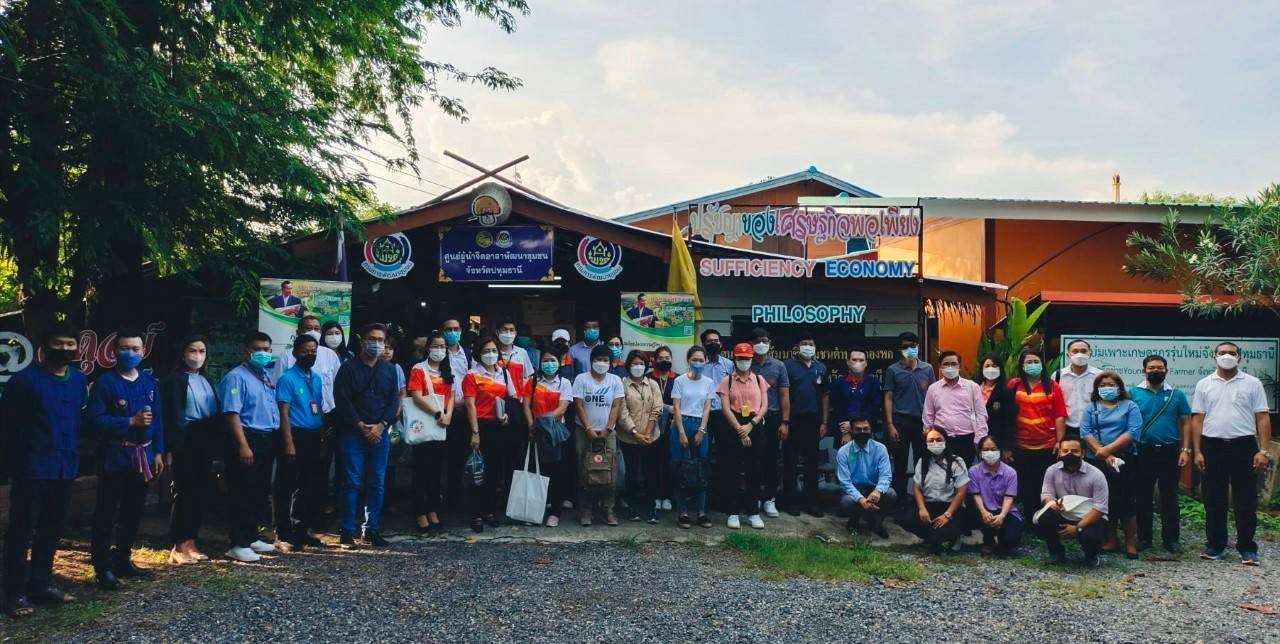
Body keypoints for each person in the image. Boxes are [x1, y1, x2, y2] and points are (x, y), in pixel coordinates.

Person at [1, 324, 87, 618]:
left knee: (52, 528)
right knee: (21, 531)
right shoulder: (24, 381)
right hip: (32, 467)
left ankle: (41, 584)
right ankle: (13, 594)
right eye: (58, 343)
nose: (64, 349)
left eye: (70, 344)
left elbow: (78, 419)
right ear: (44, 346)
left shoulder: (78, 379)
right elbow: (8, 427)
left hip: (64, 467)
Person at [88, 329, 166, 590]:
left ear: (143, 352)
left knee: (133, 511)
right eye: (124, 348)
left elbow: (158, 419)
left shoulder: (149, 382)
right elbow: (95, 421)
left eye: (135, 349)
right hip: (115, 455)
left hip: (143, 455)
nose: (130, 353)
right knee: (106, 512)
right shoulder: (105, 383)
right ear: (114, 351)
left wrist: (158, 451)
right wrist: (129, 422)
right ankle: (102, 568)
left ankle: (122, 559)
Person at [1191, 341, 1272, 565]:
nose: (1226, 356)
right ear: (1214, 357)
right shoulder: (1204, 384)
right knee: (1213, 499)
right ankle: (1216, 545)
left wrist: (1263, 451)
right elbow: (1197, 419)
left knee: (1245, 499)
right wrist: (1197, 451)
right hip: (1212, 446)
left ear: (1239, 358)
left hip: (1243, 446)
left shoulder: (1252, 383)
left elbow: (1262, 417)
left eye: (1231, 353)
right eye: (1222, 353)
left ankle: (1247, 548)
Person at [333, 323, 400, 549]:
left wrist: (382, 425)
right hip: (353, 433)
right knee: (351, 481)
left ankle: (371, 529)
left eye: (381, 340)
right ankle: (347, 531)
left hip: (380, 434)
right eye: (373, 339)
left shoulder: (389, 369)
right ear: (362, 341)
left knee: (377, 482)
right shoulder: (348, 369)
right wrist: (360, 425)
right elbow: (342, 400)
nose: (377, 344)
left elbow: (394, 400)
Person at [219, 331, 281, 563]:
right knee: (242, 491)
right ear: (247, 352)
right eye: (257, 349)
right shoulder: (236, 377)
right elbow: (232, 414)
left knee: (258, 491)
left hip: (266, 438)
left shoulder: (265, 376)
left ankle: (251, 535)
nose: (263, 353)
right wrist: (243, 445)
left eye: (266, 349)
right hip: (246, 438)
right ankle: (238, 543)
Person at [162, 335, 219, 565]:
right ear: (182, 353)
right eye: (192, 351)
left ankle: (191, 541)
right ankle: (178, 544)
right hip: (184, 438)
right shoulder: (173, 380)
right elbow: (169, 416)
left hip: (206, 436)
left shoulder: (206, 379)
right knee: (184, 491)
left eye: (201, 351)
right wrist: (169, 448)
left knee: (201, 491)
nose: (197, 356)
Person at [1130, 354, 1192, 553]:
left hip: (1169, 451)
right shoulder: (1133, 393)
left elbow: (1186, 423)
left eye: (1159, 368)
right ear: (1143, 371)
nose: (1155, 371)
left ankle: (1171, 539)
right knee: (1142, 496)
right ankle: (1144, 538)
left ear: (1166, 371)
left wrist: (1185, 450)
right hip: (1142, 451)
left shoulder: (1177, 395)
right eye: (1151, 368)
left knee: (1170, 496)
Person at [1080, 371, 1142, 559]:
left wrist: (1107, 451)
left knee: (1127, 500)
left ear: (1119, 388)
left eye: (1111, 385)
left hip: (1124, 459)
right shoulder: (1091, 408)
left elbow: (1132, 431)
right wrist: (1103, 454)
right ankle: (1111, 539)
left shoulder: (1130, 406)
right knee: (1105, 500)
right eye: (1103, 385)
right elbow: (1085, 432)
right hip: (1096, 461)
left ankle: (1130, 542)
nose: (1107, 388)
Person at [274, 334, 326, 551]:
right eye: (306, 351)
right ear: (296, 353)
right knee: (287, 484)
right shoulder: (287, 378)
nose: (310, 355)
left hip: (313, 434)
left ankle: (301, 529)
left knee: (308, 484)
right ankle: (283, 532)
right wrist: (288, 443)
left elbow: (318, 407)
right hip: (294, 434)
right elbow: (283, 413)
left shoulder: (316, 378)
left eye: (313, 351)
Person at [461, 336, 518, 533]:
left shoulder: (504, 373)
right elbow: (470, 404)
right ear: (478, 353)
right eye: (486, 351)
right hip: (479, 426)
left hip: (499, 428)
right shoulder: (472, 375)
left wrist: (508, 415)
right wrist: (475, 432)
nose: (491, 354)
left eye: (494, 350)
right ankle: (475, 514)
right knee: (478, 472)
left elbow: (512, 398)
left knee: (495, 472)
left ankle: (489, 511)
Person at [717, 343, 771, 530]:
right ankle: (733, 512)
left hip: (754, 424)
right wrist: (740, 429)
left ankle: (753, 512)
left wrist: (750, 426)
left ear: (751, 359)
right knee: (732, 470)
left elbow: (764, 406)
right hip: (733, 425)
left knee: (754, 470)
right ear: (735, 359)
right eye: (740, 358)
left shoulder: (759, 380)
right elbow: (725, 409)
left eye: (747, 358)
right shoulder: (727, 381)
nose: (743, 361)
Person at [1007, 350, 1067, 516]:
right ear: (1022, 365)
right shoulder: (1014, 385)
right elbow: (1007, 414)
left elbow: (1060, 415)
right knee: (1026, 484)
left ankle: (1045, 517)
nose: (1032, 365)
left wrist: (1060, 441)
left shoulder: (1053, 386)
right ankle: (1029, 518)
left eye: (1036, 361)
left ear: (1042, 364)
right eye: (1029, 362)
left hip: (1047, 445)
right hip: (1021, 445)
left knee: (1044, 484)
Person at [572, 345, 626, 526]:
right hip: (583, 431)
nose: (601, 363)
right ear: (591, 361)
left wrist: (608, 428)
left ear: (610, 363)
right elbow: (579, 405)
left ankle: (608, 510)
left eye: (605, 360)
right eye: (598, 359)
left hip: (608, 433)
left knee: (609, 469)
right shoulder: (581, 379)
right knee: (584, 469)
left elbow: (616, 406)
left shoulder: (615, 380)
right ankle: (586, 511)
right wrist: (588, 428)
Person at [1035, 438, 1110, 566]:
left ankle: (1091, 555)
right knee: (1044, 518)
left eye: (1074, 451)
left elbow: (1100, 508)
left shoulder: (1097, 475)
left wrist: (1078, 527)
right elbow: (1047, 494)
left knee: (1091, 535)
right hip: (1064, 512)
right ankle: (1056, 553)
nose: (1069, 454)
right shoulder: (1052, 470)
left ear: (1083, 453)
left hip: (1089, 516)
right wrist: (1053, 504)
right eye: (1065, 451)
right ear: (1059, 452)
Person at [407, 332, 454, 535]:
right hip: (425, 423)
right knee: (421, 471)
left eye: (443, 347)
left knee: (436, 471)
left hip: (442, 425)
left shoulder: (446, 370)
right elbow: (416, 396)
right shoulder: (418, 369)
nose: (439, 350)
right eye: (436, 346)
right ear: (428, 348)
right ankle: (419, 511)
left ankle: (433, 509)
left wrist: (448, 414)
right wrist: (437, 413)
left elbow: (451, 395)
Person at [523, 350, 573, 527]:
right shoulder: (532, 381)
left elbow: (562, 409)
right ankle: (535, 510)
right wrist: (532, 425)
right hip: (535, 432)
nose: (549, 364)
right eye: (545, 360)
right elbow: (526, 406)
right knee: (537, 471)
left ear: (558, 363)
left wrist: (542, 422)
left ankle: (555, 512)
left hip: (555, 433)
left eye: (552, 360)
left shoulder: (564, 383)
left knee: (556, 473)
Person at [899, 429, 969, 553]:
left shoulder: (957, 462)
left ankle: (949, 537)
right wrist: (922, 509)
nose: (935, 443)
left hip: (951, 508)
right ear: (926, 444)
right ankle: (935, 537)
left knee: (938, 543)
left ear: (945, 441)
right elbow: (917, 488)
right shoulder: (922, 462)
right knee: (906, 519)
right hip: (929, 505)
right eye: (931, 440)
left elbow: (961, 491)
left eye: (939, 439)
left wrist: (947, 515)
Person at [782, 334, 828, 517]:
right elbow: (783, 394)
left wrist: (824, 422)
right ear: (797, 346)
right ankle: (790, 502)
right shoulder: (787, 366)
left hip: (813, 421)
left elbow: (825, 395)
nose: (808, 347)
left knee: (812, 464)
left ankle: (811, 503)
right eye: (804, 344)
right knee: (790, 463)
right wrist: (784, 421)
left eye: (811, 344)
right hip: (793, 420)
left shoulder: (821, 367)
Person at [884, 331, 934, 498]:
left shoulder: (927, 368)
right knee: (900, 463)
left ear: (918, 346)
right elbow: (888, 397)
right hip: (900, 421)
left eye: (913, 346)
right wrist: (890, 425)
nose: (910, 349)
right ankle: (900, 500)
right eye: (905, 347)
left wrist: (932, 424)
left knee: (923, 461)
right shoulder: (893, 370)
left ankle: (923, 498)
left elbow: (933, 396)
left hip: (922, 422)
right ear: (900, 349)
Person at [670, 346, 716, 529]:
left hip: (700, 425)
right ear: (688, 360)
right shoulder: (679, 381)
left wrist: (701, 431)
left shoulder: (709, 382)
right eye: (694, 360)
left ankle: (701, 512)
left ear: (705, 361)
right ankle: (682, 512)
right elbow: (676, 408)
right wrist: (681, 432)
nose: (698, 363)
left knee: (700, 468)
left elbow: (707, 408)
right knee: (680, 468)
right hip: (681, 424)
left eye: (701, 360)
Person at [749, 327, 790, 518]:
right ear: (751, 344)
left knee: (771, 460)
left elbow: (784, 395)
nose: (761, 344)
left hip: (773, 418)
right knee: (753, 460)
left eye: (764, 341)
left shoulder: (779, 366)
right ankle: (754, 498)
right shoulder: (745, 364)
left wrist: (785, 422)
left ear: (770, 344)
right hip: (750, 419)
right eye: (757, 341)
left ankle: (769, 499)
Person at [617, 350, 662, 523]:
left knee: (651, 473)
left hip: (651, 438)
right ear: (628, 365)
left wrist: (648, 433)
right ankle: (632, 508)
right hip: (629, 438)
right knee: (632, 474)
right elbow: (622, 412)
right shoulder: (622, 385)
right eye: (635, 363)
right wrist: (635, 433)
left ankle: (651, 508)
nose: (638, 367)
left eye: (641, 364)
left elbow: (657, 409)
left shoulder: (652, 384)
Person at [922, 350, 988, 465]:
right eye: (946, 364)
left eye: (953, 364)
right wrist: (930, 438)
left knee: (965, 471)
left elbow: (981, 415)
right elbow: (928, 416)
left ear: (959, 366)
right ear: (940, 367)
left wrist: (980, 438)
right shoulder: (933, 389)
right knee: (943, 471)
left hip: (967, 439)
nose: (950, 367)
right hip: (942, 440)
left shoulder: (972, 387)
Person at [836, 415, 896, 538]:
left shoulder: (880, 449)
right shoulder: (843, 452)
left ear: (870, 430)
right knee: (846, 501)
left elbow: (886, 475)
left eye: (865, 429)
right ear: (851, 430)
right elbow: (845, 482)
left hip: (874, 490)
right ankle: (854, 519)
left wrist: (878, 491)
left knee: (891, 494)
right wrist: (861, 499)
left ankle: (876, 523)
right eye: (858, 429)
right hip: (855, 490)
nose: (862, 432)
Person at [273, 315, 341, 421]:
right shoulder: (286, 356)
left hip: (326, 413)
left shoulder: (330, 355)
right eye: (308, 329)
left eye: (316, 329)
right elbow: (276, 386)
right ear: (298, 332)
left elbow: (339, 384)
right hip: (297, 416)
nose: (313, 332)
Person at [968, 436, 1022, 555]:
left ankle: (1002, 540)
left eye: (993, 449)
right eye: (985, 450)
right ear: (980, 452)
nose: (990, 452)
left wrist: (1002, 515)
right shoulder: (973, 471)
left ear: (1000, 451)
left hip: (1006, 511)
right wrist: (983, 512)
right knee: (977, 517)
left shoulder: (1010, 472)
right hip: (984, 510)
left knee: (1010, 541)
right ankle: (988, 541)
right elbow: (976, 495)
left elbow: (1009, 497)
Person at [698, 328, 734, 510]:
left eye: (716, 340)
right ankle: (703, 499)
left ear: (721, 343)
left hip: (723, 415)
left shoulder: (729, 365)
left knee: (724, 457)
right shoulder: (698, 364)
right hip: (702, 416)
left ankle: (723, 498)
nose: (713, 343)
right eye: (709, 341)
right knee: (702, 456)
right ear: (703, 344)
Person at [441, 318, 473, 508]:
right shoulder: (437, 352)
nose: (452, 332)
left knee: (458, 455)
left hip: (463, 410)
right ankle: (438, 495)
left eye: (455, 329)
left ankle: (454, 496)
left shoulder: (468, 355)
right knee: (439, 455)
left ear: (461, 330)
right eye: (448, 329)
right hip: (440, 411)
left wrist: (465, 403)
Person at [648, 345, 678, 512]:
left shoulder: (678, 379)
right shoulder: (648, 378)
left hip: (671, 426)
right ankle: (654, 496)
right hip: (651, 425)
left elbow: (681, 403)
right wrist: (667, 408)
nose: (664, 361)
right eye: (661, 358)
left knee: (668, 463)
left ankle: (666, 496)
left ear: (672, 360)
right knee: (652, 463)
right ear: (655, 360)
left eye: (667, 358)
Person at [830, 350, 881, 445]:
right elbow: (837, 407)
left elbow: (874, 408)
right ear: (848, 362)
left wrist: (852, 424)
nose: (858, 363)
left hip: (865, 429)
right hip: (843, 430)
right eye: (854, 360)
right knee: (846, 453)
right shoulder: (838, 382)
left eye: (861, 360)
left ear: (866, 363)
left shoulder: (873, 382)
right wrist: (845, 431)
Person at [1057, 339, 1103, 434]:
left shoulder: (1099, 375)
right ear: (1068, 355)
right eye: (1075, 351)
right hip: (1067, 427)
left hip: (1093, 427)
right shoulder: (1058, 376)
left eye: (1083, 351)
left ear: (1090, 354)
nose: (1079, 354)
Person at [977, 356, 1017, 458]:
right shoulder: (974, 388)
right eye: (987, 366)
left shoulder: (1006, 391)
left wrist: (1007, 447)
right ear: (982, 369)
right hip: (975, 440)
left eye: (994, 366)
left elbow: (1009, 421)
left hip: (997, 441)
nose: (990, 368)